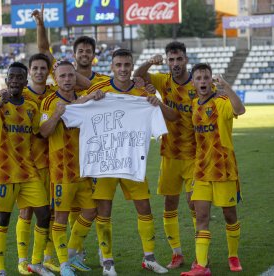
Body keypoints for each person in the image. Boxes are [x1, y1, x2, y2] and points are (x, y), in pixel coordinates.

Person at [87, 48, 179, 276]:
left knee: (145, 208)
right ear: (112, 67)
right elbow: (75, 110)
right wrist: (90, 98)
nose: (123, 69)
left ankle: (149, 258)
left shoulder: (142, 92)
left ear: (131, 66)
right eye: (118, 65)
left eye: (127, 65)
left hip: (132, 162)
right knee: (104, 210)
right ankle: (107, 262)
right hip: (105, 163)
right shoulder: (99, 90)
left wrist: (154, 102)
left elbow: (168, 119)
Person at [0, 62, 54, 276]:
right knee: (2, 219)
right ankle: (1, 269)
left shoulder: (31, 106)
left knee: (44, 214)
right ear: (6, 80)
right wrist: (0, 104)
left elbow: (38, 134)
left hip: (28, 172)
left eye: (19, 77)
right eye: (11, 77)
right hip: (3, 173)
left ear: (25, 81)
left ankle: (35, 262)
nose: (15, 80)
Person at [133, 41, 199, 269]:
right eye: (171, 60)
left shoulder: (197, 83)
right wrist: (150, 62)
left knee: (195, 204)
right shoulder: (164, 80)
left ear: (186, 59)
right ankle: (177, 253)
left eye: (179, 59)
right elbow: (138, 75)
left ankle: (201, 256)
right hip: (170, 153)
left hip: (195, 154)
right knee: (170, 204)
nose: (175, 63)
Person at [39, 60, 104, 276]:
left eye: (70, 75)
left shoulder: (84, 100)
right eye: (63, 76)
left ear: (76, 77)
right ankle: (64, 263)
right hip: (61, 170)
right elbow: (44, 131)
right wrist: (57, 114)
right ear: (55, 79)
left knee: (90, 211)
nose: (67, 80)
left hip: (84, 168)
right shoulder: (49, 102)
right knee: (60, 216)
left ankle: (74, 253)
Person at [181, 63, 245, 276]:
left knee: (229, 215)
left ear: (211, 80)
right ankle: (201, 265)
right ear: (193, 82)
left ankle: (233, 255)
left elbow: (240, 109)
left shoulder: (221, 101)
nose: (202, 82)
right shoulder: (193, 105)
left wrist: (226, 86)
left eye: (205, 78)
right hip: (201, 170)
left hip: (223, 169)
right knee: (201, 217)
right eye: (198, 78)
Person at [14, 53, 59, 275]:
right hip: (27, 164)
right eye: (36, 68)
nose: (40, 72)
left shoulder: (54, 94)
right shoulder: (20, 95)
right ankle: (23, 260)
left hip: (54, 163)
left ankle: (46, 258)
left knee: (50, 212)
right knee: (26, 212)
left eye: (44, 68)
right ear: (30, 71)